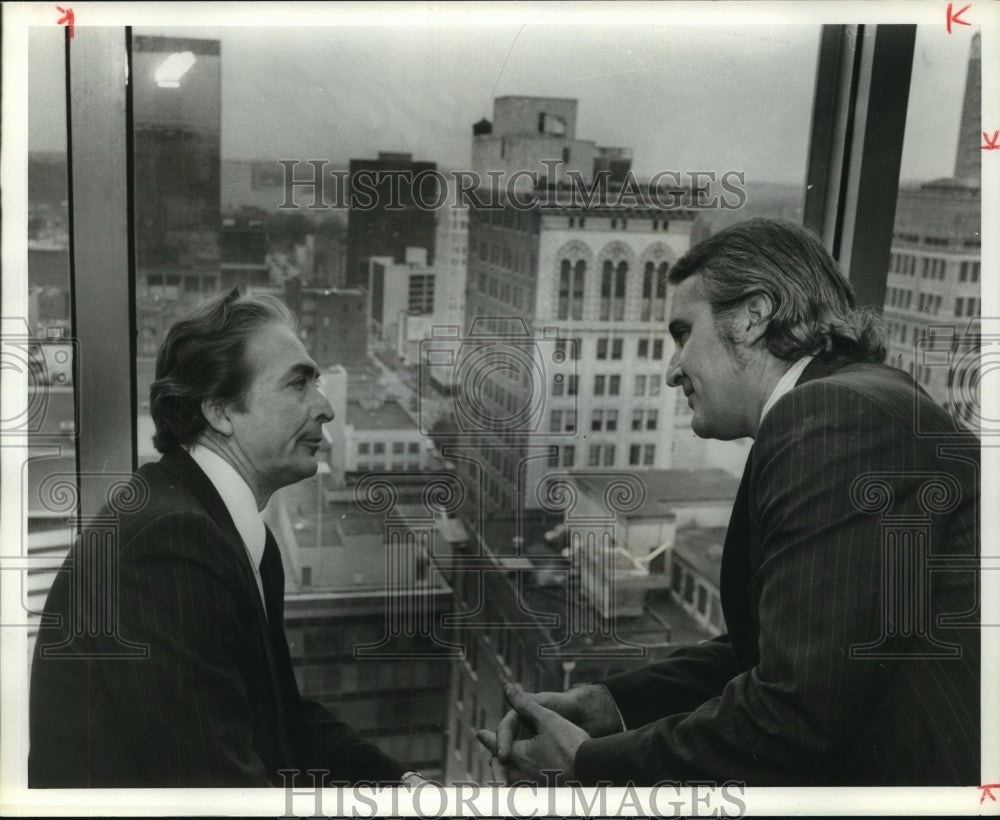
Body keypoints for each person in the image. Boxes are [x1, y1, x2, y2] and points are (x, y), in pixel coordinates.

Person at [478, 218, 980, 786]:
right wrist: (608, 706)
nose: (673, 370)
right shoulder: (857, 399)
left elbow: (795, 713)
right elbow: (776, 651)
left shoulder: (831, 418)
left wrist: (587, 762)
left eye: (683, 333)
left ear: (751, 316)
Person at [30, 288, 419, 787]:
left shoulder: (219, 531)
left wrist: (411, 790)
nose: (325, 408)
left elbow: (276, 721)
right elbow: (217, 790)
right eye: (298, 384)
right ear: (219, 410)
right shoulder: (170, 545)